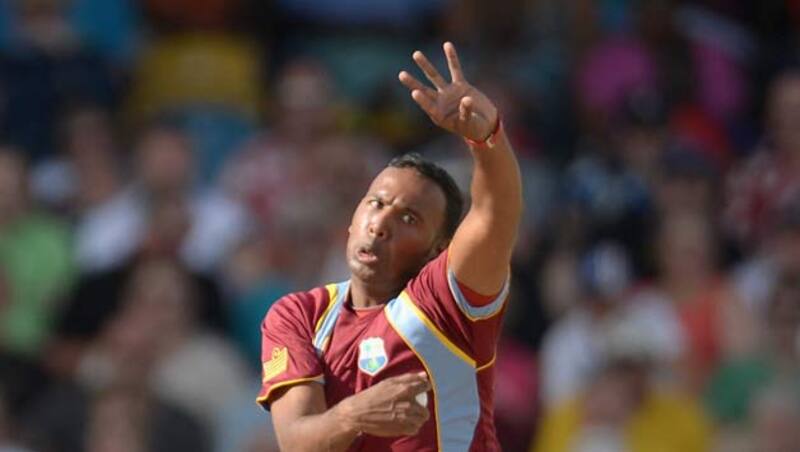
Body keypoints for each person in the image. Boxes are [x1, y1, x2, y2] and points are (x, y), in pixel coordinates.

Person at [256, 42, 522, 451]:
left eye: (409, 218)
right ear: (352, 219)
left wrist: (488, 138)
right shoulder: (300, 315)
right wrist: (358, 412)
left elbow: (494, 214)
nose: (381, 224)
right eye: (376, 203)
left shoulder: (446, 302)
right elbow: (296, 442)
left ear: (438, 249)